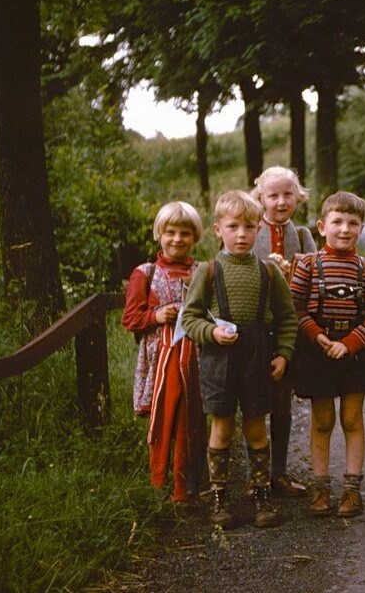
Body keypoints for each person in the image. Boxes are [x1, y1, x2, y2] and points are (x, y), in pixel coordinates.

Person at [181, 190, 298, 528]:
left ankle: (262, 494)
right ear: (218, 229)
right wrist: (211, 333)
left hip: (258, 355)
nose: (242, 234)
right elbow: (190, 318)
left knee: (256, 425)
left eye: (249, 227)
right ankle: (220, 497)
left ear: (259, 229)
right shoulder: (209, 270)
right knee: (221, 426)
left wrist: (284, 355)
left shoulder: (270, 272)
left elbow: (287, 318)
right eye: (233, 227)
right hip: (220, 359)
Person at [290, 191, 365, 518]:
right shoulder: (307, 264)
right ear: (321, 226)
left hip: (355, 352)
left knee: (351, 418)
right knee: (323, 420)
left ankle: (352, 489)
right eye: (337, 222)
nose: (344, 229)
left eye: (353, 223)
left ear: (361, 228)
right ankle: (320, 488)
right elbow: (296, 308)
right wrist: (319, 337)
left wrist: (349, 343)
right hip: (317, 350)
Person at [122, 201, 207, 505]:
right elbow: (131, 319)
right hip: (160, 358)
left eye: (185, 233)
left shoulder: (202, 271)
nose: (177, 239)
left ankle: (186, 486)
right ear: (159, 233)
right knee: (163, 417)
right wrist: (156, 316)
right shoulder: (144, 273)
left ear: (195, 237)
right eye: (170, 232)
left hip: (194, 356)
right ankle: (158, 480)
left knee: (190, 419)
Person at [250, 166, 316, 498]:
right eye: (272, 195)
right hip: (256, 330)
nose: (280, 202)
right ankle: (256, 475)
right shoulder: (249, 231)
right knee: (253, 402)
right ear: (260, 197)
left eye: (287, 194)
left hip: (289, 332)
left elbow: (315, 277)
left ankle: (279, 473)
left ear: (298, 197)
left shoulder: (303, 235)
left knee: (283, 403)